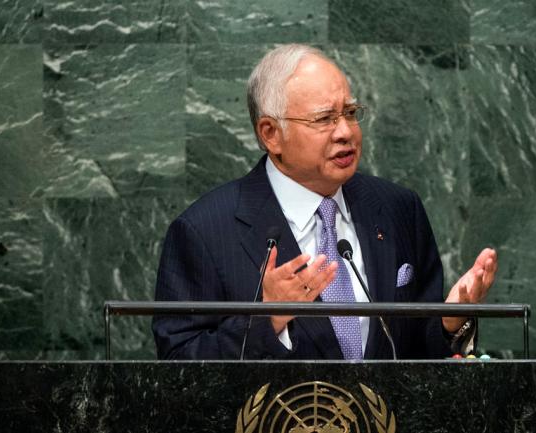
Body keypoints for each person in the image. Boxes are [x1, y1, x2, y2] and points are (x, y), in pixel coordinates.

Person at [152, 44, 498, 360]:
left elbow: (416, 351)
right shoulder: (204, 231)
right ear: (271, 134)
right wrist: (265, 320)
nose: (346, 132)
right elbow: (178, 367)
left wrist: (449, 321)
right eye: (324, 119)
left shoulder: (397, 208)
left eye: (350, 112)